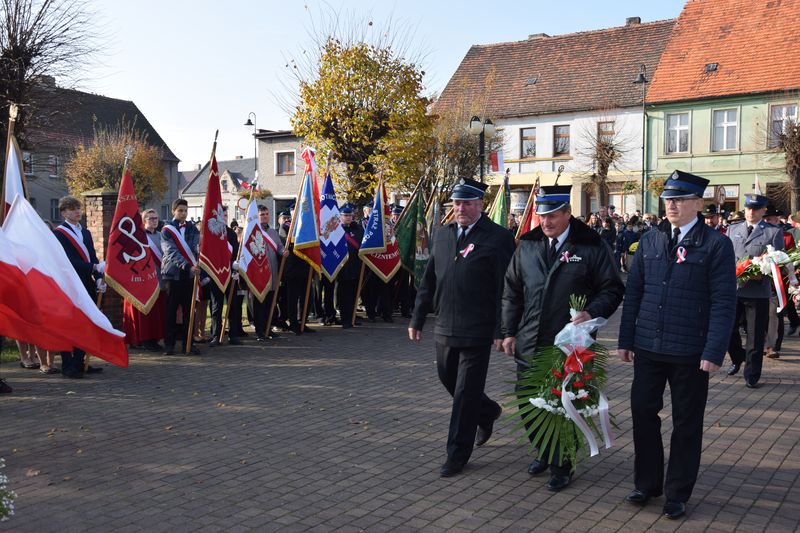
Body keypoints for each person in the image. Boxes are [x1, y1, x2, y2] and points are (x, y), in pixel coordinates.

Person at [618, 170, 736, 520]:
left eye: (681, 198)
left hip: (690, 351)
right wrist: (625, 339)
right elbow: (635, 292)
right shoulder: (652, 240)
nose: (672, 204)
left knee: (686, 423)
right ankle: (647, 483)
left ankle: (677, 492)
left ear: (698, 203)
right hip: (648, 346)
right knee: (642, 413)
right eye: (669, 198)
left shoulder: (715, 244)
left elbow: (723, 302)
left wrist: (714, 350)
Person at [501, 185, 624, 491]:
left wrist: (592, 311)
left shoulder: (591, 246)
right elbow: (512, 292)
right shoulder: (527, 245)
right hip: (529, 340)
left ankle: (561, 464)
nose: (546, 222)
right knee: (529, 402)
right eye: (542, 216)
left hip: (568, 345)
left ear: (568, 213)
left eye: (553, 215)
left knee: (562, 404)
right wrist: (507, 331)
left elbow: (612, 288)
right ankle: (544, 450)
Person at [408, 178, 515, 478]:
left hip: (478, 329)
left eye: (467, 203)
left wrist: (502, 328)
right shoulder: (442, 235)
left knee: (466, 392)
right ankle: (488, 411)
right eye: (456, 203)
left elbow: (504, 288)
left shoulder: (497, 237)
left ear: (481, 204)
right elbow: (429, 279)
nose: (460, 208)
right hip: (445, 326)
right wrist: (417, 318)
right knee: (448, 380)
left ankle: (456, 453)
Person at [726, 193, 784, 387]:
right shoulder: (733, 229)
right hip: (733, 290)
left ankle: (752, 374)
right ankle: (737, 356)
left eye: (756, 209)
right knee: (726, 330)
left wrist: (761, 272)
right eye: (748, 208)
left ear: (763, 211)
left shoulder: (772, 232)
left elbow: (777, 263)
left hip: (757, 291)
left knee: (754, 336)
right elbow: (726, 257)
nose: (751, 212)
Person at [53, 195, 106, 378]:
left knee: (86, 324)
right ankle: (68, 365)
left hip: (86, 283)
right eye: (71, 208)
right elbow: (68, 261)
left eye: (77, 208)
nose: (76, 211)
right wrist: (92, 267)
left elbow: (92, 256)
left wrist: (98, 276)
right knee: (69, 325)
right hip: (69, 284)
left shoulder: (86, 233)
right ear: (63, 212)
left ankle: (80, 362)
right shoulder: (59, 233)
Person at [122, 209, 166, 352]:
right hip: (143, 280)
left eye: (156, 218)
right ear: (144, 221)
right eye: (151, 218)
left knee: (157, 312)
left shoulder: (161, 236)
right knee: (145, 312)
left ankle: (154, 338)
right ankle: (144, 339)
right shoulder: (138, 237)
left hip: (159, 279)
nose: (155, 220)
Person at [161, 198, 201, 355]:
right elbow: (170, 252)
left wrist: (194, 265)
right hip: (172, 274)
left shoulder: (193, 228)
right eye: (180, 210)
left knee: (189, 310)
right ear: (173, 211)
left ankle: (188, 343)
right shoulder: (167, 230)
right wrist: (187, 265)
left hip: (190, 275)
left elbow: (195, 247)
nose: (183, 213)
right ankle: (169, 344)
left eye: (185, 210)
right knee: (171, 311)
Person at [208, 206, 242, 347]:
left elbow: (235, 254)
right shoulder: (212, 233)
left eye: (227, 215)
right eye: (223, 215)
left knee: (233, 305)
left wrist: (235, 268)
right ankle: (216, 335)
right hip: (216, 274)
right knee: (216, 306)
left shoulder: (231, 234)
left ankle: (233, 335)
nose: (225, 217)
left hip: (230, 274)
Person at [251, 204, 285, 341]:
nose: (265, 216)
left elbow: (279, 247)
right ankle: (260, 331)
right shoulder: (253, 233)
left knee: (271, 303)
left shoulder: (273, 233)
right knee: (259, 304)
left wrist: (284, 252)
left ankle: (268, 329)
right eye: (262, 214)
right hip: (259, 275)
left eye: (266, 214)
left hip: (273, 274)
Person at [337, 204, 364, 328]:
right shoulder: (336, 230)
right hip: (343, 267)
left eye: (350, 215)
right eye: (346, 215)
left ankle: (352, 317)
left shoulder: (358, 229)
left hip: (355, 266)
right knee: (344, 295)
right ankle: (345, 319)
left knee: (354, 294)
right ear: (340, 216)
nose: (348, 218)